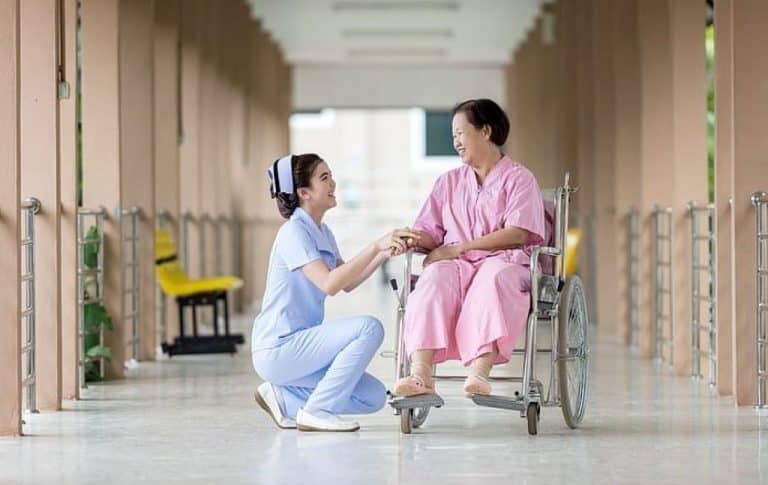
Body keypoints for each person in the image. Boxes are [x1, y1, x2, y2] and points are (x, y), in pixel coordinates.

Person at [252, 153, 418, 432]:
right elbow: (329, 283)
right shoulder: (293, 232)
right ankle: (318, 411)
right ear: (304, 192)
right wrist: (375, 246)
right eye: (324, 178)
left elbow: (347, 282)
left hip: (300, 347)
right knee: (369, 328)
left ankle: (283, 399)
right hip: (279, 347)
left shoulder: (321, 231)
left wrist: (385, 252)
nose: (333, 184)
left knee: (372, 397)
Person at [393, 99, 546, 398]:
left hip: (506, 261)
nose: (456, 143)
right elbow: (431, 231)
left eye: (460, 134)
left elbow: (517, 233)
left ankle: (479, 372)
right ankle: (420, 375)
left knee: (492, 278)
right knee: (434, 279)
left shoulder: (520, 179)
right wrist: (414, 239)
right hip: (458, 263)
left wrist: (460, 248)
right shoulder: (448, 182)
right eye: (454, 137)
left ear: (486, 131)